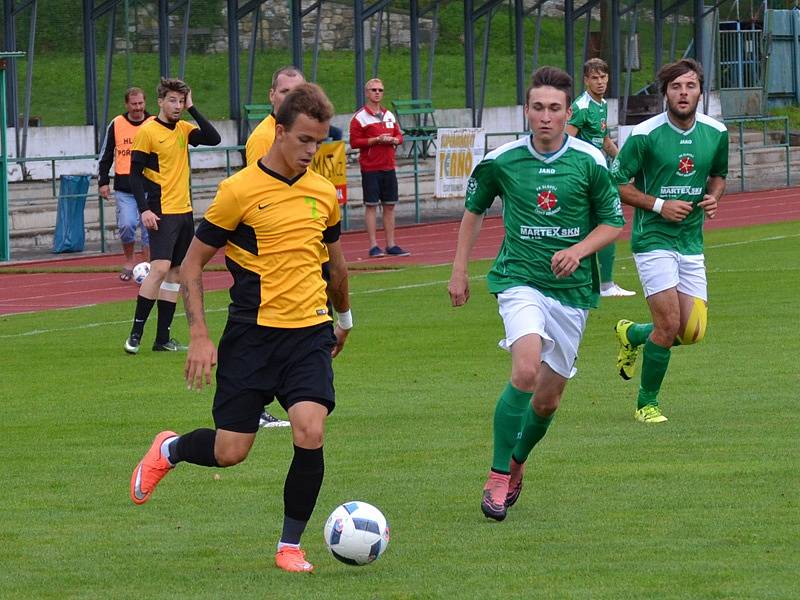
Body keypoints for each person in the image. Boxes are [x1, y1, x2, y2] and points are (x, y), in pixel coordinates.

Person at [128, 83, 353, 574]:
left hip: (309, 334)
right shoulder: (239, 191)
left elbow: (336, 266)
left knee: (310, 430)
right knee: (232, 452)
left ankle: (290, 545)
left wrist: (344, 318)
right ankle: (170, 448)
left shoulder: (321, 193)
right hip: (251, 338)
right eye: (304, 141)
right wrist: (201, 336)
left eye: (320, 142)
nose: (312, 153)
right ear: (278, 130)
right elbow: (191, 267)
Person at [448, 67, 624, 522]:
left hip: (571, 292)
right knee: (524, 370)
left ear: (569, 113)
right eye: (538, 107)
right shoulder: (501, 160)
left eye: (555, 109)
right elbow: (474, 210)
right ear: (527, 110)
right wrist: (460, 270)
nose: (546, 116)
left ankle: (518, 459)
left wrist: (579, 250)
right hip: (518, 280)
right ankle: (495, 476)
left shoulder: (589, 161)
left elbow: (612, 222)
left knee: (547, 401)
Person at [610, 58, 728, 424]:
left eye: (690, 86)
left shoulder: (716, 132)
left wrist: (714, 197)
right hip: (653, 239)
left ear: (700, 92)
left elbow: (719, 175)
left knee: (692, 332)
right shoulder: (644, 135)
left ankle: (631, 333)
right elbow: (618, 183)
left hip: (691, 242)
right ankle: (647, 404)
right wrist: (659, 205)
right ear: (665, 93)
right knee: (668, 325)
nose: (683, 93)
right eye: (676, 87)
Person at [123, 78, 221, 354]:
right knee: (160, 269)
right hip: (161, 212)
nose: (177, 106)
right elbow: (134, 174)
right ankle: (135, 334)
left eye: (181, 101)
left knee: (176, 273)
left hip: (184, 212)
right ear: (161, 102)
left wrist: (193, 108)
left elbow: (214, 138)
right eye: (172, 101)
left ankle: (162, 339)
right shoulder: (148, 131)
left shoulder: (184, 129)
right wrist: (144, 210)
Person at [244, 66, 307, 429]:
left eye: (297, 92)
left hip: (293, 249)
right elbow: (256, 195)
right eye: (284, 92)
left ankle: (275, 399)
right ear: (272, 96)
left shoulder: (300, 134)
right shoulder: (263, 137)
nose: (290, 99)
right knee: (262, 330)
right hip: (266, 252)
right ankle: (254, 405)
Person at [566, 58, 636, 298]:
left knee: (606, 224)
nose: (600, 82)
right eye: (594, 78)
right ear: (585, 80)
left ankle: (604, 284)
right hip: (584, 178)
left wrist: (624, 164)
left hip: (600, 175)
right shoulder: (581, 107)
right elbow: (566, 141)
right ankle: (600, 284)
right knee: (606, 223)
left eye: (603, 77)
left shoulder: (602, 104)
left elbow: (605, 141)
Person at [97, 87, 155, 281]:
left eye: (141, 103)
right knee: (127, 225)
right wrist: (103, 181)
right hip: (125, 188)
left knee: (149, 230)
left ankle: (147, 266)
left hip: (150, 186)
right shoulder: (117, 123)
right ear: (127, 105)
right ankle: (130, 260)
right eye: (134, 104)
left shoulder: (154, 123)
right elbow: (106, 154)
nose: (138, 108)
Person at [349, 78, 410, 258]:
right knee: (371, 205)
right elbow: (354, 142)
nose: (377, 93)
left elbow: (399, 135)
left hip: (388, 166)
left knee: (390, 205)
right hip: (370, 167)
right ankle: (374, 245)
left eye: (380, 90)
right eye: (374, 90)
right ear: (367, 93)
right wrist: (375, 140)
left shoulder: (389, 115)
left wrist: (394, 140)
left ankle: (391, 244)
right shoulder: (359, 117)